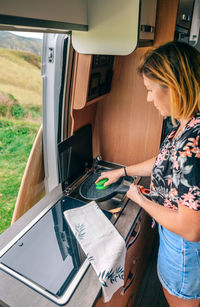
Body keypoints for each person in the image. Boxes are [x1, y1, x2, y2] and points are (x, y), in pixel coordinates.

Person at [96, 41, 200, 307]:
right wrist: (123, 171)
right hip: (176, 241)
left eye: (151, 90)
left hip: (183, 251)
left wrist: (138, 197)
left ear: (174, 87)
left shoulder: (193, 144)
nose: (149, 98)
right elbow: (165, 160)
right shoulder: (189, 122)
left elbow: (191, 229)